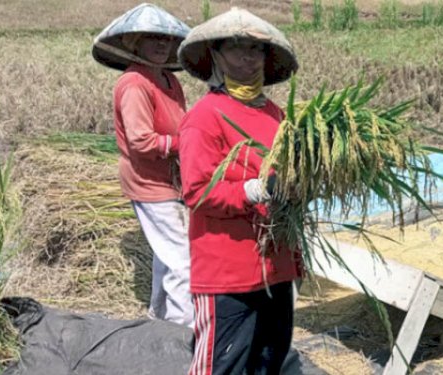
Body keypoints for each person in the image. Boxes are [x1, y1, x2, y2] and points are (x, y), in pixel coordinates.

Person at [177, 7, 303, 374]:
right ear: (215, 55)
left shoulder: (277, 115)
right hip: (229, 271)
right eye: (236, 48)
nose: (248, 57)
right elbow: (197, 191)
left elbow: (288, 173)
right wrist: (251, 190)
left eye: (256, 49)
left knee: (269, 360)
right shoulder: (204, 117)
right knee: (223, 366)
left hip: (275, 265)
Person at [92, 3, 194, 327]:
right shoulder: (135, 83)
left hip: (171, 181)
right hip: (149, 183)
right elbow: (141, 142)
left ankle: (158, 320)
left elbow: (182, 123)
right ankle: (182, 333)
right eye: (152, 38)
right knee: (183, 261)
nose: (161, 44)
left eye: (166, 39)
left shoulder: (168, 80)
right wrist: (182, 145)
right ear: (135, 43)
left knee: (168, 256)